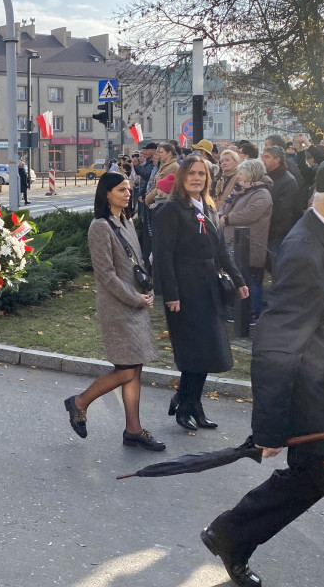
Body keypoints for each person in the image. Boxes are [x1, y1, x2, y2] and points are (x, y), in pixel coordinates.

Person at [201, 156, 324, 587]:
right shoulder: (305, 251)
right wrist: (269, 428)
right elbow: (275, 348)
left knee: (305, 483)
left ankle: (231, 533)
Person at [63, 172, 163, 451]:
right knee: (128, 368)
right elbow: (105, 274)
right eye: (121, 189)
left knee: (134, 367)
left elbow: (138, 262)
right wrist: (135, 298)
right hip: (118, 306)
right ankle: (80, 402)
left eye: (129, 189)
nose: (128, 193)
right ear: (106, 193)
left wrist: (148, 291)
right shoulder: (99, 226)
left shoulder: (126, 220)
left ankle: (133, 430)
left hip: (136, 301)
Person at [152, 154, 248, 432]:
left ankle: (192, 402)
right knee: (193, 351)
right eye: (191, 173)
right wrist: (171, 294)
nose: (197, 178)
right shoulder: (170, 211)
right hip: (184, 288)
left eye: (202, 174)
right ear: (182, 178)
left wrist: (238, 278)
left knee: (208, 350)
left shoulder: (208, 206)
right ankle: (186, 405)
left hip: (208, 288)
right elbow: (164, 257)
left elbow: (220, 250)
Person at [218, 159, 273, 322]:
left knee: (252, 279)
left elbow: (251, 213)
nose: (238, 176)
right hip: (233, 240)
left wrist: (228, 219)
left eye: (241, 173)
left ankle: (253, 313)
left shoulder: (262, 193)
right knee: (238, 275)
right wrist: (226, 207)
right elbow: (224, 207)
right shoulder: (243, 190)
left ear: (250, 174)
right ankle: (238, 310)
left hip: (250, 243)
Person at [262, 146, 299, 265]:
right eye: (262, 156)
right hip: (265, 232)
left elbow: (283, 212)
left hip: (278, 234)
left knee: (277, 268)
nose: (263, 159)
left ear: (277, 160)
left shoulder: (288, 181)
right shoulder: (264, 178)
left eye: (266, 157)